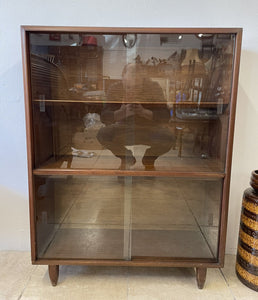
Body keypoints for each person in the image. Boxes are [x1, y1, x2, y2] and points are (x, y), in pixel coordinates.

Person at [97, 63, 174, 170]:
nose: (132, 90)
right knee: (103, 134)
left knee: (169, 138)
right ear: (122, 78)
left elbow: (166, 116)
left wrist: (144, 112)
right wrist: (122, 112)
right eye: (128, 86)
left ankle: (149, 159)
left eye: (137, 86)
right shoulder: (115, 88)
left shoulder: (153, 87)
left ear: (143, 80)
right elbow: (104, 117)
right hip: (123, 128)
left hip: (149, 129)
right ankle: (126, 158)